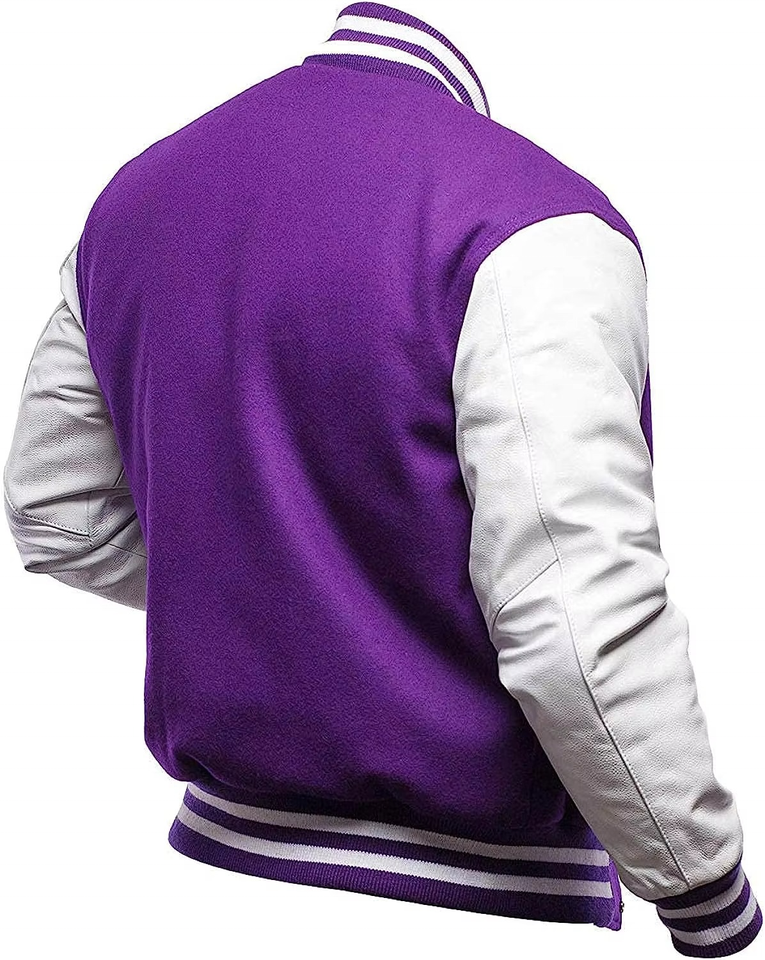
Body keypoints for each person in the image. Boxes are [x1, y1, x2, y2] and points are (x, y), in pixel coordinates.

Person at [4, 3, 760, 954]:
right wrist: (700, 887)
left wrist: (282, 605)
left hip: (205, 880)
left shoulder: (136, 196)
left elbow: (59, 516)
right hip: (476, 905)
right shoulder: (530, 219)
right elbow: (575, 616)